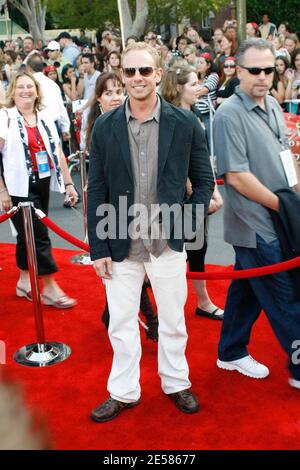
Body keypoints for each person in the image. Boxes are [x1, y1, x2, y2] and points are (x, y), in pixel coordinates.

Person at [87, 42, 215, 422]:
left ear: (158, 74)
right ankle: (123, 391)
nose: (137, 78)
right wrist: (98, 247)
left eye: (145, 71)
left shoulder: (185, 122)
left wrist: (184, 221)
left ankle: (176, 382)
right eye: (130, 72)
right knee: (122, 323)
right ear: (121, 75)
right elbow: (97, 188)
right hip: (120, 240)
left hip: (167, 242)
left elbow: (204, 181)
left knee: (174, 320)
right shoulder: (105, 126)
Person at [214, 38, 300, 387]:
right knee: (286, 297)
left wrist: (296, 197)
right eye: (255, 70)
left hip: (280, 219)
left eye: (268, 69)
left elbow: (285, 159)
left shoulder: (274, 107)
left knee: (248, 289)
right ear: (237, 71)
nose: (263, 76)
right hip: (255, 225)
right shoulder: (228, 115)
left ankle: (230, 350)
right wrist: (286, 207)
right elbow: (236, 176)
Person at [84, 72, 159, 341]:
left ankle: (111, 314)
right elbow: (97, 185)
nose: (116, 97)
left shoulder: (133, 121)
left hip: (139, 212)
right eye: (109, 92)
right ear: (99, 98)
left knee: (125, 272)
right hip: (109, 212)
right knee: (122, 266)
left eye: (118, 91)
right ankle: (151, 320)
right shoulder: (99, 128)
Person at [0, 71, 77, 307]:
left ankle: (25, 282)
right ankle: (50, 287)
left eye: (30, 87)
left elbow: (58, 153)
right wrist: (2, 191)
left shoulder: (44, 116)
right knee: (39, 235)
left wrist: (69, 183)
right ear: (13, 91)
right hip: (17, 187)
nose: (26, 91)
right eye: (21, 87)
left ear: (37, 91)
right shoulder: (6, 116)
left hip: (41, 182)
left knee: (27, 236)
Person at [160, 65, 224, 320]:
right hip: (180, 196)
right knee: (171, 251)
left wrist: (213, 191)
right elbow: (174, 161)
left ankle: (203, 301)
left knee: (198, 247)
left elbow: (202, 159)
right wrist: (195, 189)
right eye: (193, 84)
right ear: (177, 88)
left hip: (199, 190)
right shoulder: (169, 118)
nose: (199, 88)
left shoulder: (195, 113)